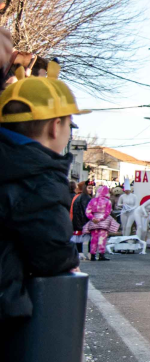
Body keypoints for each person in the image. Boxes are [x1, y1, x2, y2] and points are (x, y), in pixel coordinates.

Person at [0, 61, 86, 323]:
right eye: (69, 126)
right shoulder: (39, 176)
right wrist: (70, 258)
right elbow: (51, 253)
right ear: (54, 126)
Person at [83, 185, 117, 261]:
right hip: (104, 222)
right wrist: (101, 218)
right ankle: (101, 254)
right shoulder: (108, 201)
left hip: (93, 222)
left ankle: (92, 255)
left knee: (94, 238)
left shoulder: (92, 201)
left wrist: (93, 218)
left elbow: (88, 211)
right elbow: (108, 212)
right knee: (102, 238)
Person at [70, 181, 93, 259]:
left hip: (77, 221)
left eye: (91, 188)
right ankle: (89, 253)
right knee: (87, 238)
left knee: (78, 238)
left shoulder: (78, 196)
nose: (91, 190)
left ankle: (80, 253)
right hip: (83, 221)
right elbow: (86, 210)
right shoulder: (86, 197)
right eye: (89, 188)